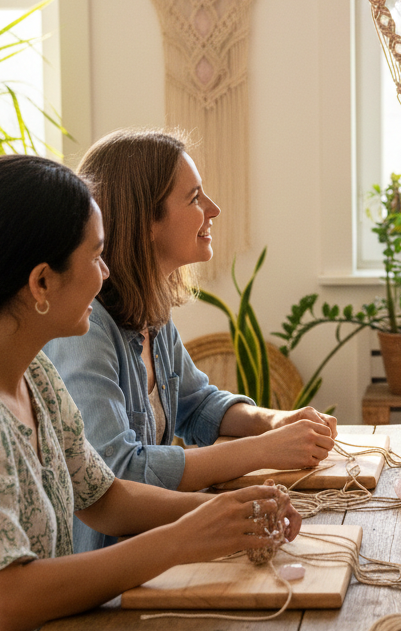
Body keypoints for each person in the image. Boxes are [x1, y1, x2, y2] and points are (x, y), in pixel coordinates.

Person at [0, 155, 300, 631]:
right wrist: (179, 542)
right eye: (96, 256)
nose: (105, 273)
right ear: (40, 282)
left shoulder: (36, 375)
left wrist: (231, 514)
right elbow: (5, 604)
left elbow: (107, 497)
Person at [44, 130, 334, 553]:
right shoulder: (84, 333)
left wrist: (273, 422)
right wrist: (262, 450)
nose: (213, 209)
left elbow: (196, 403)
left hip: (150, 548)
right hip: (106, 569)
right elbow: (119, 473)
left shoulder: (151, 312)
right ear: (146, 221)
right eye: (195, 197)